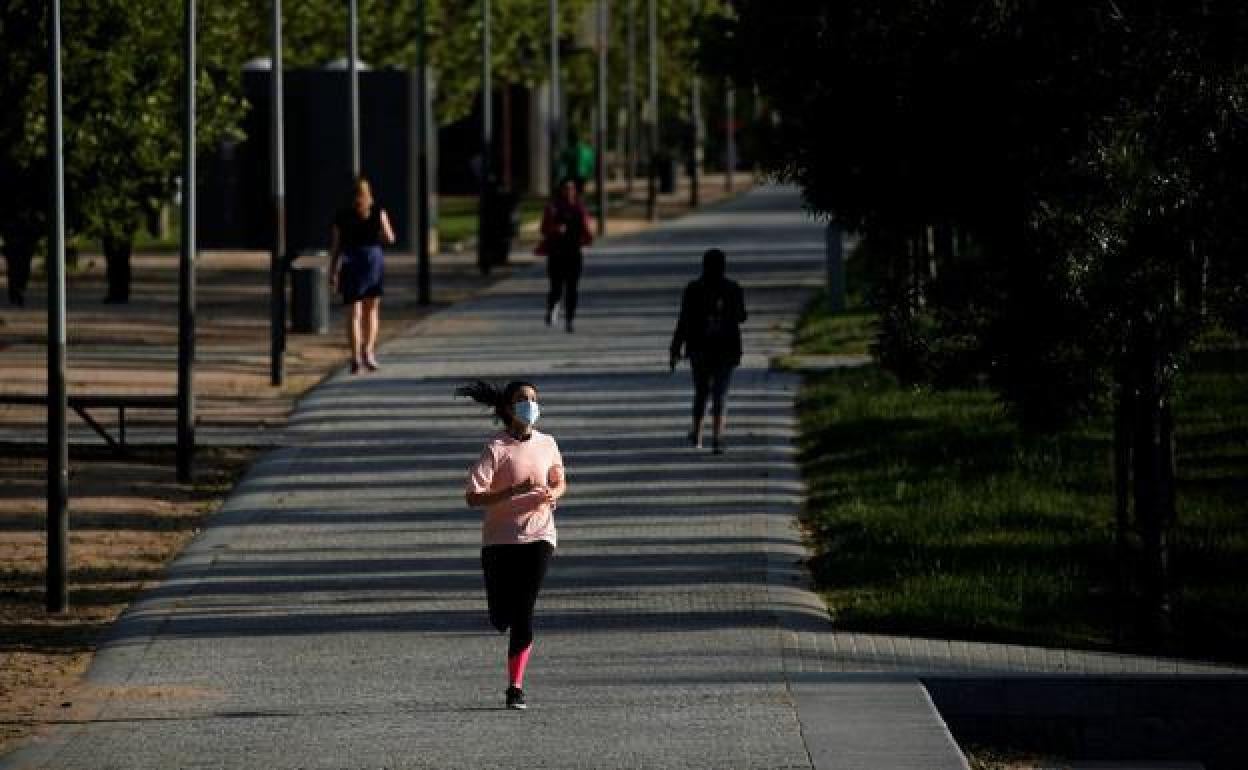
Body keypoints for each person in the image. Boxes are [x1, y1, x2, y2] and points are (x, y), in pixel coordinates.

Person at [457, 379, 567, 710]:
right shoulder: (496, 449)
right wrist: (512, 492)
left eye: (534, 399)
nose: (529, 405)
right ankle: (501, 618)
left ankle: (515, 686)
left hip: (539, 535)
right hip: (500, 540)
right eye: (522, 400)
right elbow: (473, 498)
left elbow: (560, 480)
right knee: (500, 616)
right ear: (507, 408)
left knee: (524, 610)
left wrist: (554, 492)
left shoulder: (548, 443)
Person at [669, 248, 748, 454]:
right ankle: (717, 436)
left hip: (699, 349)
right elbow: (742, 316)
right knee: (720, 393)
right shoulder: (733, 288)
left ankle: (697, 432)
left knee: (702, 391)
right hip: (727, 349)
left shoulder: (693, 289)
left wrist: (675, 349)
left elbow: (683, 321)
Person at [329, 177, 395, 374]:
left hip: (351, 260)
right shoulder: (377, 212)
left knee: (354, 313)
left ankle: (355, 355)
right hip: (372, 260)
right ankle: (369, 351)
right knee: (372, 310)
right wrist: (377, 235)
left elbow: (336, 246)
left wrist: (333, 270)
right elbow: (390, 237)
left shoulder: (341, 216)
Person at [536, 178, 593, 333]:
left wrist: (586, 237)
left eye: (571, 188)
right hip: (556, 254)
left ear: (575, 191)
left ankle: (569, 319)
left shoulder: (579, 208)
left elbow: (586, 230)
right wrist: (555, 229)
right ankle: (552, 309)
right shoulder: (552, 207)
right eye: (566, 188)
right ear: (560, 190)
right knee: (556, 288)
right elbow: (543, 229)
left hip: (573, 253)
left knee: (572, 289)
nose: (569, 191)